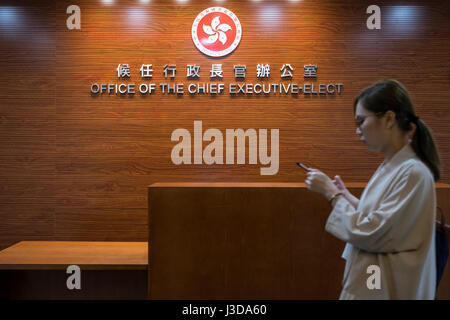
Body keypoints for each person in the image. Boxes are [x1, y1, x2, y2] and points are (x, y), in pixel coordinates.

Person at [305, 79, 441, 299]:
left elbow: (374, 232)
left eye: (361, 121)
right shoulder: (392, 166)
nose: (358, 130)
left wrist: (333, 194)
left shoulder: (413, 172)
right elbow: (385, 219)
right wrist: (348, 197)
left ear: (388, 119)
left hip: (383, 286)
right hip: (373, 281)